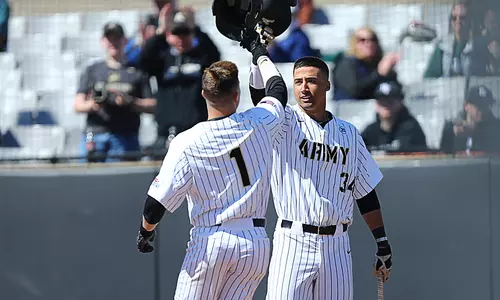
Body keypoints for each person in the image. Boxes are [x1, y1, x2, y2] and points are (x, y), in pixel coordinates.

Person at [136, 30, 289, 299]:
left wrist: (145, 233)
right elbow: (277, 90)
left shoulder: (187, 141)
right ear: (237, 95)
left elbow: (155, 204)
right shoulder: (260, 122)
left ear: (204, 94)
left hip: (212, 241)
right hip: (255, 244)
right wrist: (259, 54)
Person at [250, 55, 393, 299]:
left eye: (311, 81)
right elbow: (259, 97)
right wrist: (257, 57)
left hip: (337, 244)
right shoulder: (285, 120)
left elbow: (366, 193)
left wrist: (382, 240)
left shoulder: (349, 133)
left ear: (327, 85)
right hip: (293, 240)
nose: (304, 88)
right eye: (298, 82)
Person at [139, 5, 219, 156]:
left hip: (197, 130)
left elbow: (214, 55)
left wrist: (196, 28)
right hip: (166, 131)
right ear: (170, 35)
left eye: (186, 33)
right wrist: (161, 31)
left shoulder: (201, 57)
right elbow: (144, 61)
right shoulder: (163, 58)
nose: (181, 38)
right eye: (177, 33)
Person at [74, 22, 156, 162]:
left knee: (121, 181)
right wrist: (94, 104)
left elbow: (153, 105)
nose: (113, 42)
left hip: (126, 135)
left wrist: (130, 101)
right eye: (109, 38)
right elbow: (78, 105)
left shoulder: (137, 71)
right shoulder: (93, 69)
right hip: (96, 133)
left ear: (124, 41)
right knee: (87, 180)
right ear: (103, 41)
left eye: (117, 38)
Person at [332, 27, 400, 101]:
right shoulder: (346, 63)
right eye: (362, 40)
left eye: (372, 39)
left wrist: (390, 72)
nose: (368, 43)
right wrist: (379, 73)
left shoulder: (377, 63)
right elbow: (355, 92)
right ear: (354, 44)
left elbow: (394, 90)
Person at [361, 81, 427, 152]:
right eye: (382, 101)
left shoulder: (411, 128)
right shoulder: (371, 130)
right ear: (376, 104)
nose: (386, 105)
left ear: (400, 102)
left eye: (390, 101)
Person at [439, 85, 500, 154]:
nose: (482, 111)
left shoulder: (498, 127)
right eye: (478, 106)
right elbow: (442, 157)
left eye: (486, 106)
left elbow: (493, 145)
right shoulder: (451, 128)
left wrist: (473, 132)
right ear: (466, 106)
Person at [423, 1, 473, 78]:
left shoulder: (477, 46)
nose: (458, 21)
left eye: (462, 17)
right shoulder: (442, 46)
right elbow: (429, 77)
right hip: (447, 88)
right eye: (454, 18)